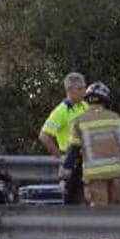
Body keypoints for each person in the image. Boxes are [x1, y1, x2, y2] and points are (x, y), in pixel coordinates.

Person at [64, 81, 120, 239]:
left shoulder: (79, 121)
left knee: (100, 214)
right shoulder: (117, 119)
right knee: (117, 211)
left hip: (95, 177)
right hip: (117, 175)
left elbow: (72, 152)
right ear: (106, 100)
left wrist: (65, 174)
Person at [38, 72, 89, 205]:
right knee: (72, 199)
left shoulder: (84, 106)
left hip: (87, 159)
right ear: (70, 90)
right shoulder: (61, 111)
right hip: (71, 158)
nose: (84, 91)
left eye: (84, 87)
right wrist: (60, 157)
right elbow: (44, 136)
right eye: (80, 88)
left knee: (87, 198)